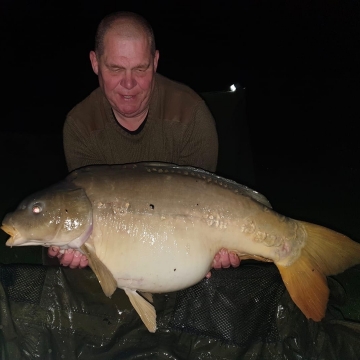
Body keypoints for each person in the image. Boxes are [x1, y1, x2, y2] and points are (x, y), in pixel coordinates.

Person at [47, 11, 240, 273]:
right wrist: (83, 251)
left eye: (140, 69)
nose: (129, 83)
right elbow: (94, 218)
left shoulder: (190, 114)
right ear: (95, 63)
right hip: (126, 247)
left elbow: (201, 205)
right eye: (115, 69)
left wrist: (211, 248)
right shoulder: (81, 125)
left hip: (182, 238)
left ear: (156, 61)